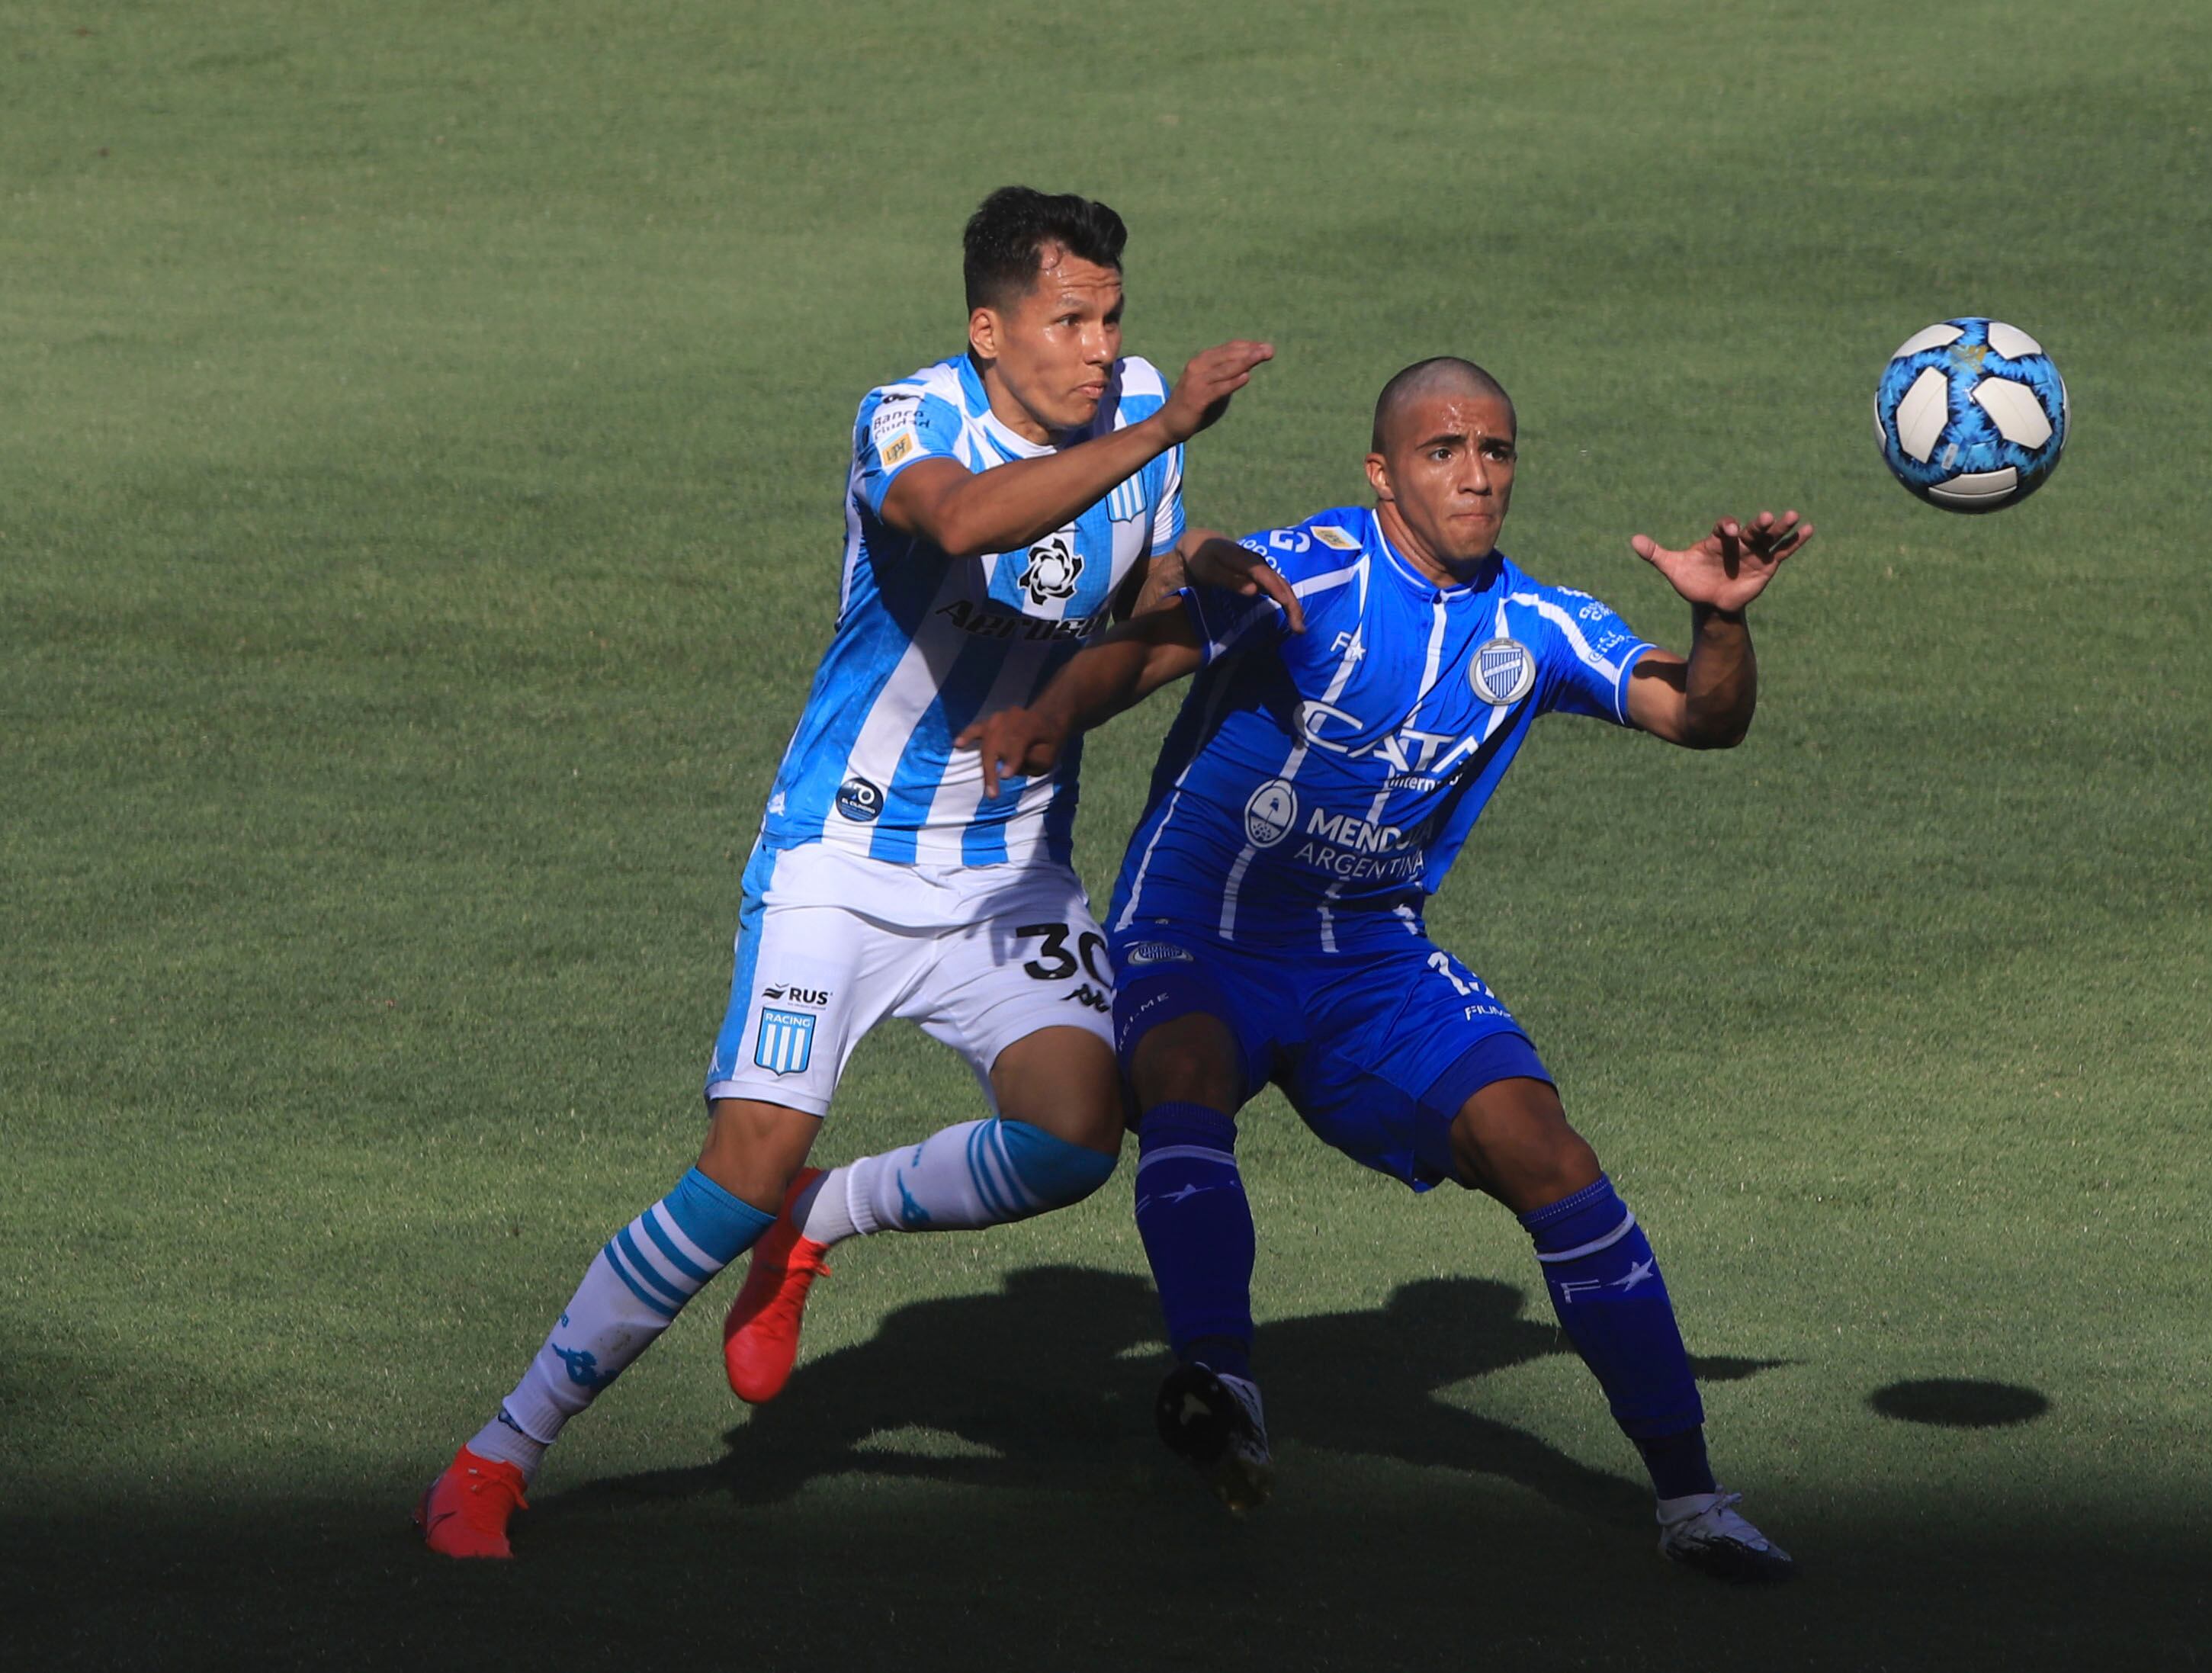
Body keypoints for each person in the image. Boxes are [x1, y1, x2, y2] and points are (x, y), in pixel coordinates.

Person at [415, 186, 1277, 1559]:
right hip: (844, 860)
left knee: (1072, 1136)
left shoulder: (1143, 412)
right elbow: (966, 525)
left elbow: (1137, 594)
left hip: (1009, 869)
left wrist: (1204, 570)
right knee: (739, 1164)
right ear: (989, 331)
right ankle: (496, 1455)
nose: (1102, 348)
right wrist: (1161, 435)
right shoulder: (909, 419)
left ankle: (821, 1220)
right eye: (1069, 320)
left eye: (1113, 318)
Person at [958, 357, 1812, 1581]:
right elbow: (1151, 651)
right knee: (1185, 1076)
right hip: (1197, 928)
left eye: (1496, 452)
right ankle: (1224, 1388)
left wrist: (1718, 616)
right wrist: (1047, 719)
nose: (1475, 474)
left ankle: (1692, 1500)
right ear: (1383, 472)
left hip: (1368, 960)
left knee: (1548, 1152)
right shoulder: (1311, 568)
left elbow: (1702, 717)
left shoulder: (1538, 625)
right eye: (1443, 451)